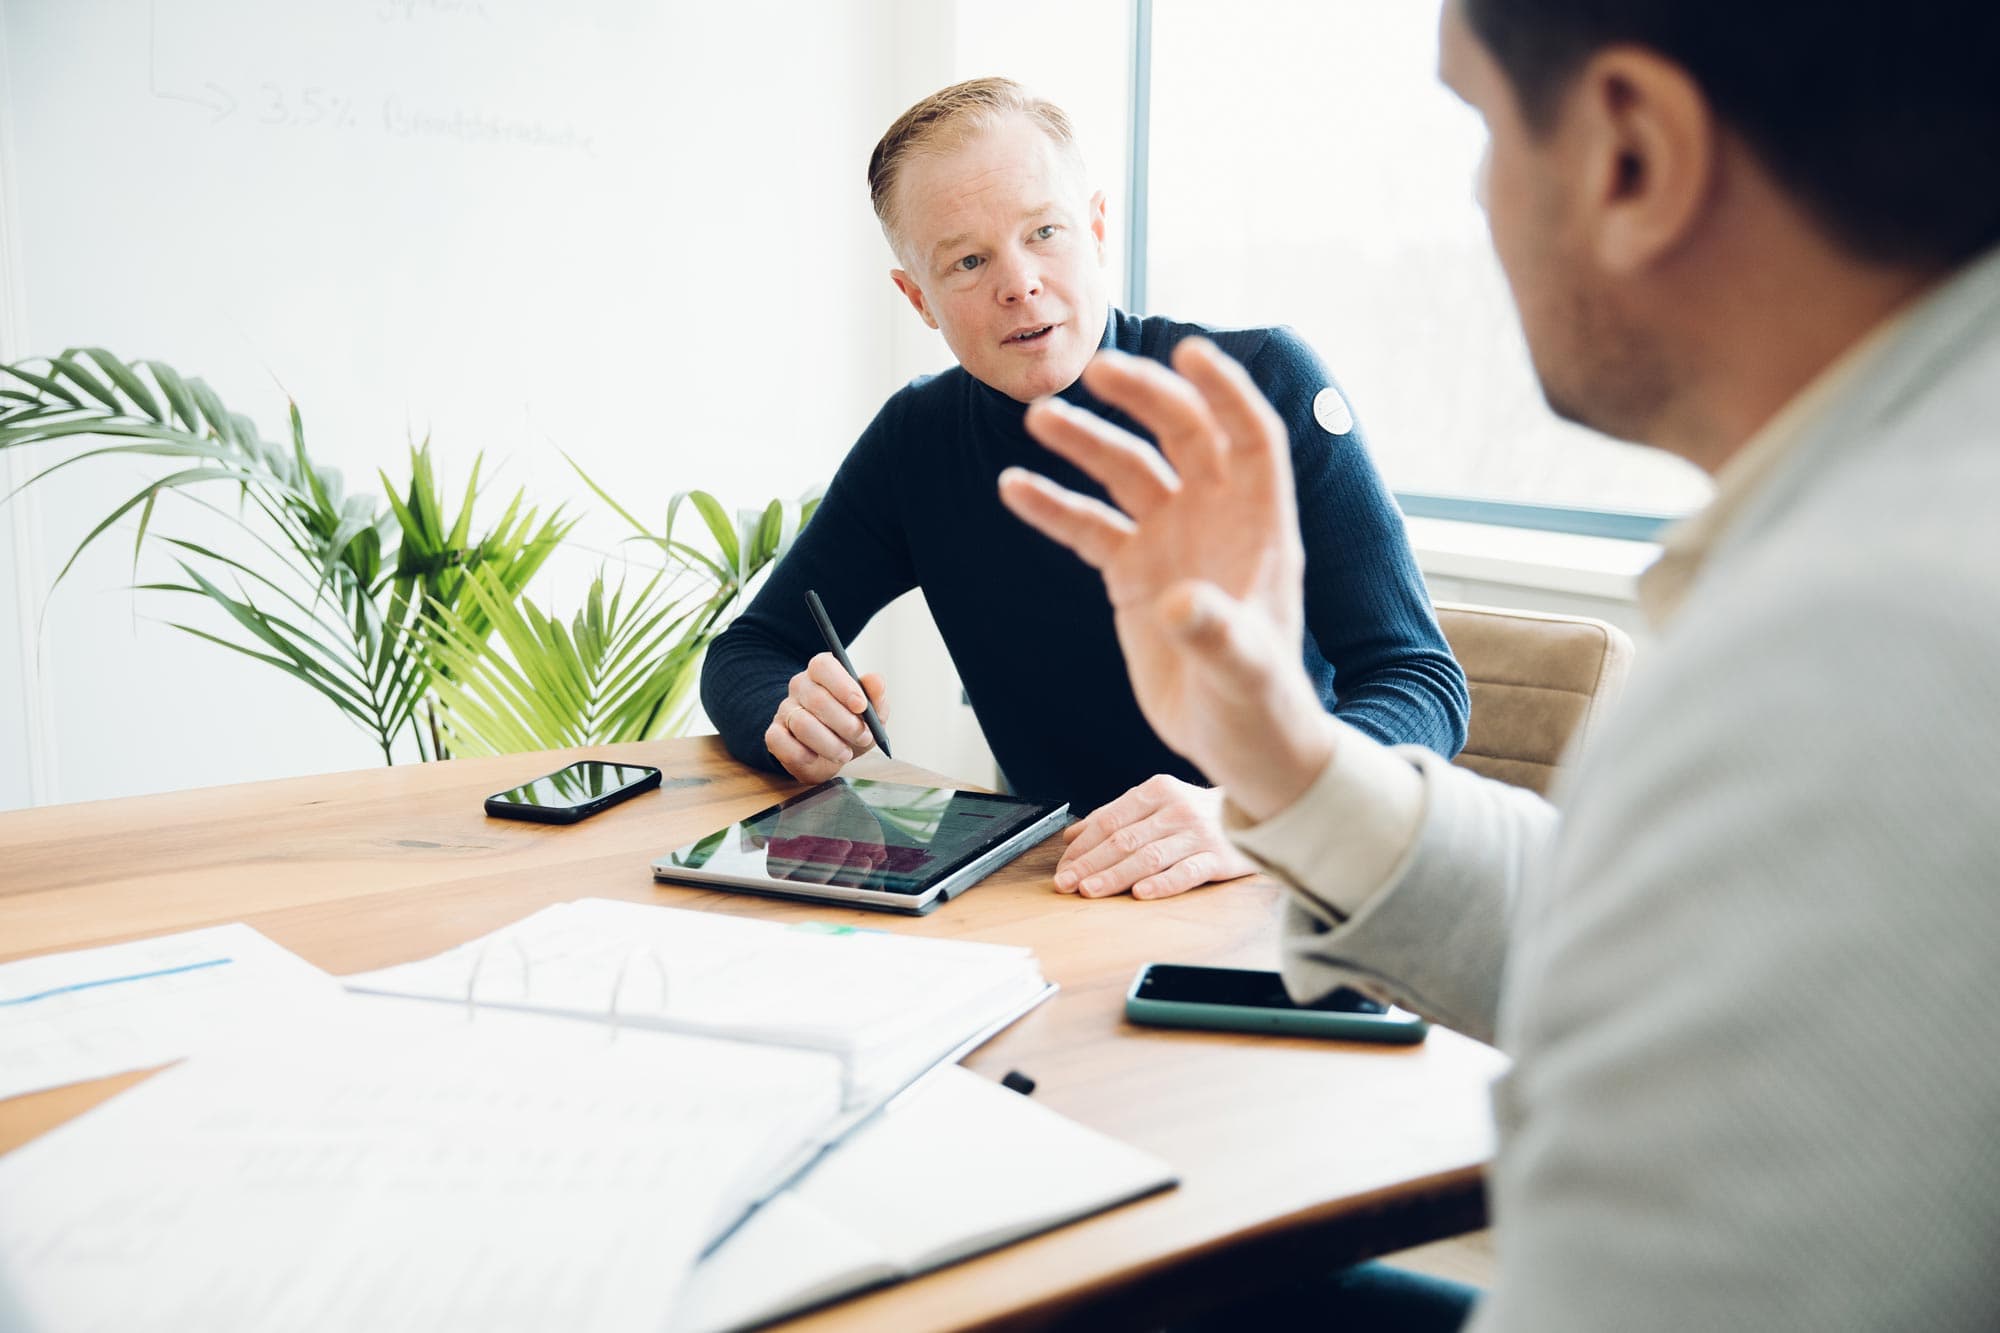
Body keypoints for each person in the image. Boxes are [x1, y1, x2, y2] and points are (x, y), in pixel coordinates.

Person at [998, 1, 2000, 1328]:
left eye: (1477, 125)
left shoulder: (1844, 656)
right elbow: (1655, 939)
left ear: (1632, 155)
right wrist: (1292, 758)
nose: (1475, 198)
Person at [700, 79, 1468, 902]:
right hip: (1060, 889)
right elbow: (748, 652)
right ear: (917, 298)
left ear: (1096, 228)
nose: (1020, 283)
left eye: (1045, 232)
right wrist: (791, 718)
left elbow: (1420, 683)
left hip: (1273, 879)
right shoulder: (918, 439)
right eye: (967, 260)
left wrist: (1262, 810)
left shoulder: (1264, 385)